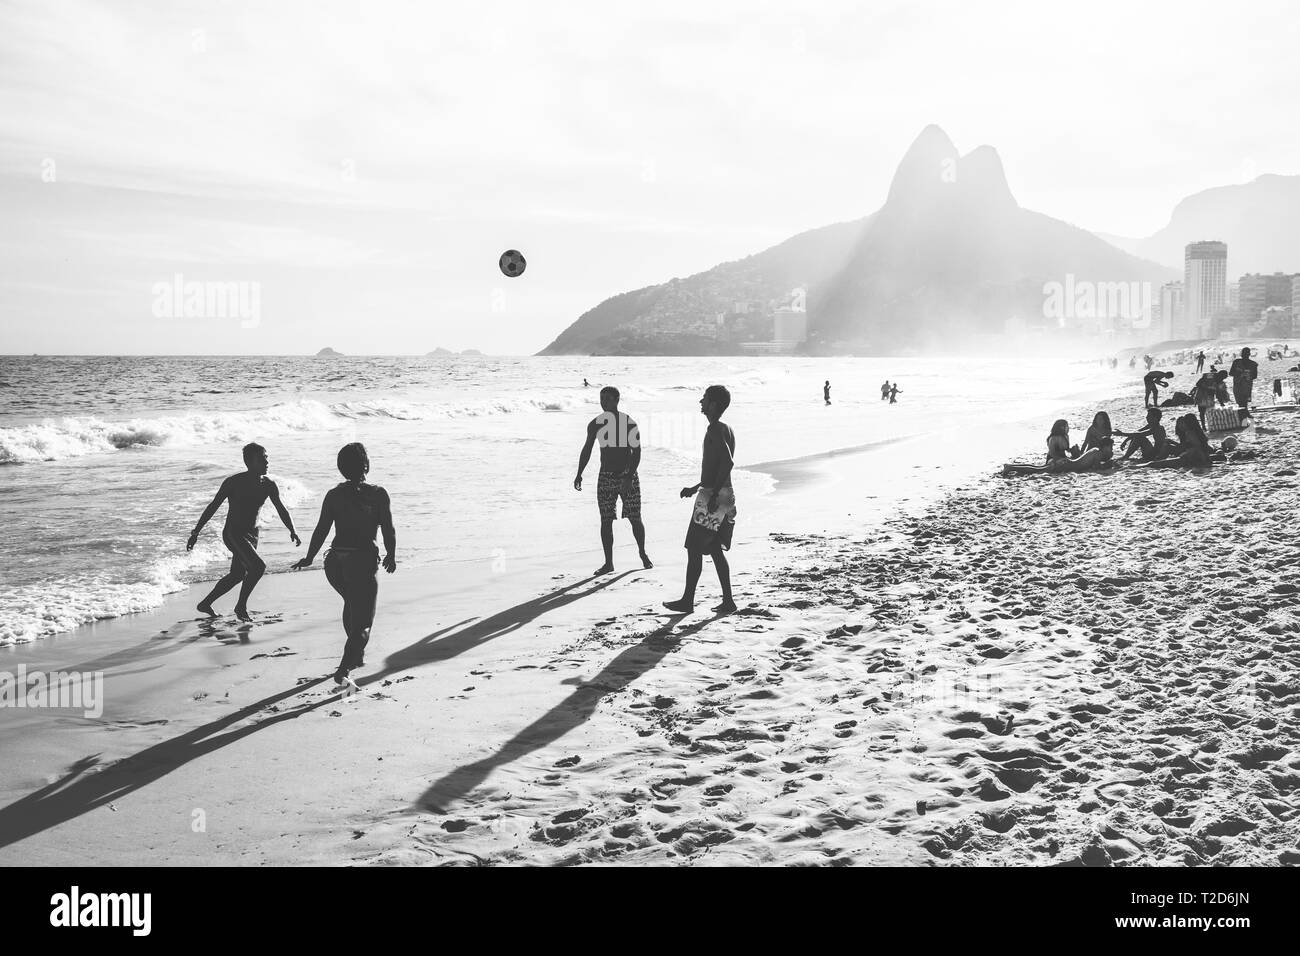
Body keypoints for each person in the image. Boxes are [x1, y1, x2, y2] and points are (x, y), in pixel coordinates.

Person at [292, 443, 397, 686]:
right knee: (364, 623)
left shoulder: (333, 495)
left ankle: (355, 655)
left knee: (351, 603)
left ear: (341, 469)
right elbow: (388, 529)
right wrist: (391, 554)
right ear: (367, 465)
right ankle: (344, 667)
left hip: (335, 563)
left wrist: (309, 557)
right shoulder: (378, 494)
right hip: (361, 562)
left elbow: (321, 530)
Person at [188, 442, 300, 620]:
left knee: (237, 574)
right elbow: (213, 506)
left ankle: (205, 604)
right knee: (258, 567)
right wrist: (196, 532)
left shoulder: (269, 484)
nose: (266, 462)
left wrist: (292, 529)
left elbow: (281, 508)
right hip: (234, 533)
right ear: (250, 462)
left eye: (266, 458)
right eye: (262, 459)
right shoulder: (234, 482)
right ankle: (241, 607)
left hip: (252, 535)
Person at [665, 385, 736, 614]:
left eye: (704, 398)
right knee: (715, 548)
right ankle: (728, 601)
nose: (700, 402)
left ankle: (687, 601)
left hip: (715, 496)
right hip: (724, 493)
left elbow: (727, 463)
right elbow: (717, 467)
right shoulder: (726, 428)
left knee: (694, 548)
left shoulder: (715, 429)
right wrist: (696, 487)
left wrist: (712, 495)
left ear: (713, 404)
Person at [574, 386, 651, 574]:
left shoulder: (628, 423)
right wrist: (579, 473)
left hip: (627, 475)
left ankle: (642, 553)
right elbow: (587, 449)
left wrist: (629, 476)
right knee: (606, 520)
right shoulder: (595, 424)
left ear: (617, 400)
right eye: (601, 399)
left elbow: (637, 452)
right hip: (606, 476)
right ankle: (609, 563)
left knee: (635, 518)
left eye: (607, 399)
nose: (603, 402)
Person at [1142, 415, 1212, 469]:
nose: (1182, 425)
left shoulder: (1189, 433)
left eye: (1184, 422)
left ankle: (1137, 466)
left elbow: (1197, 447)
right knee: (1153, 464)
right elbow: (1199, 447)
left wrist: (1187, 454)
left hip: (1189, 459)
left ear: (1188, 423)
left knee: (1153, 464)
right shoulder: (1197, 433)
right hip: (1192, 458)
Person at [1229, 347, 1259, 419]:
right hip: (1238, 384)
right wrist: (1240, 374)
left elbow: (1255, 376)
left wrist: (1248, 375)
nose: (1244, 355)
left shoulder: (1253, 364)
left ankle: (1244, 414)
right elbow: (1231, 373)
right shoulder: (1236, 362)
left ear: (1249, 354)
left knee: (1245, 401)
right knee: (1240, 400)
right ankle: (1245, 414)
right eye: (1243, 354)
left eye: (1246, 354)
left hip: (1246, 385)